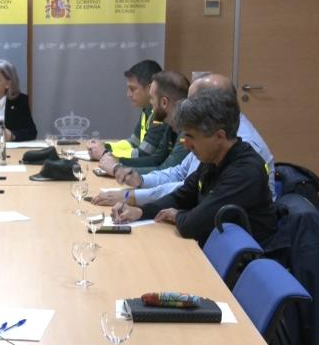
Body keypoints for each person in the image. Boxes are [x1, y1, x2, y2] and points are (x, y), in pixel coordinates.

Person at [111, 88, 276, 246]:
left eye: (191, 137)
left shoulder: (245, 171)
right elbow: (182, 196)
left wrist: (179, 216)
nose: (186, 145)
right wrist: (140, 212)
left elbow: (195, 224)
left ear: (219, 136)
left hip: (237, 266)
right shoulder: (213, 159)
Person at [93, 73, 276, 207]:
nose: (184, 106)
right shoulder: (206, 131)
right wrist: (140, 180)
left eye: (191, 101)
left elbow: (194, 195)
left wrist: (132, 197)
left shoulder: (234, 142)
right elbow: (181, 173)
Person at [96, 70, 188, 176]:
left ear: (164, 103)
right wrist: (117, 163)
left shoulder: (187, 132)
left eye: (152, 98)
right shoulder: (169, 126)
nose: (150, 102)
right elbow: (156, 160)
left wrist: (118, 169)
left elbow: (166, 170)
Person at [89, 60, 171, 164]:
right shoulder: (147, 110)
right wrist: (105, 146)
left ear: (150, 88)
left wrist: (106, 152)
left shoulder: (160, 115)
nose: (128, 94)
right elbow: (133, 143)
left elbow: (144, 154)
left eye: (133, 89)